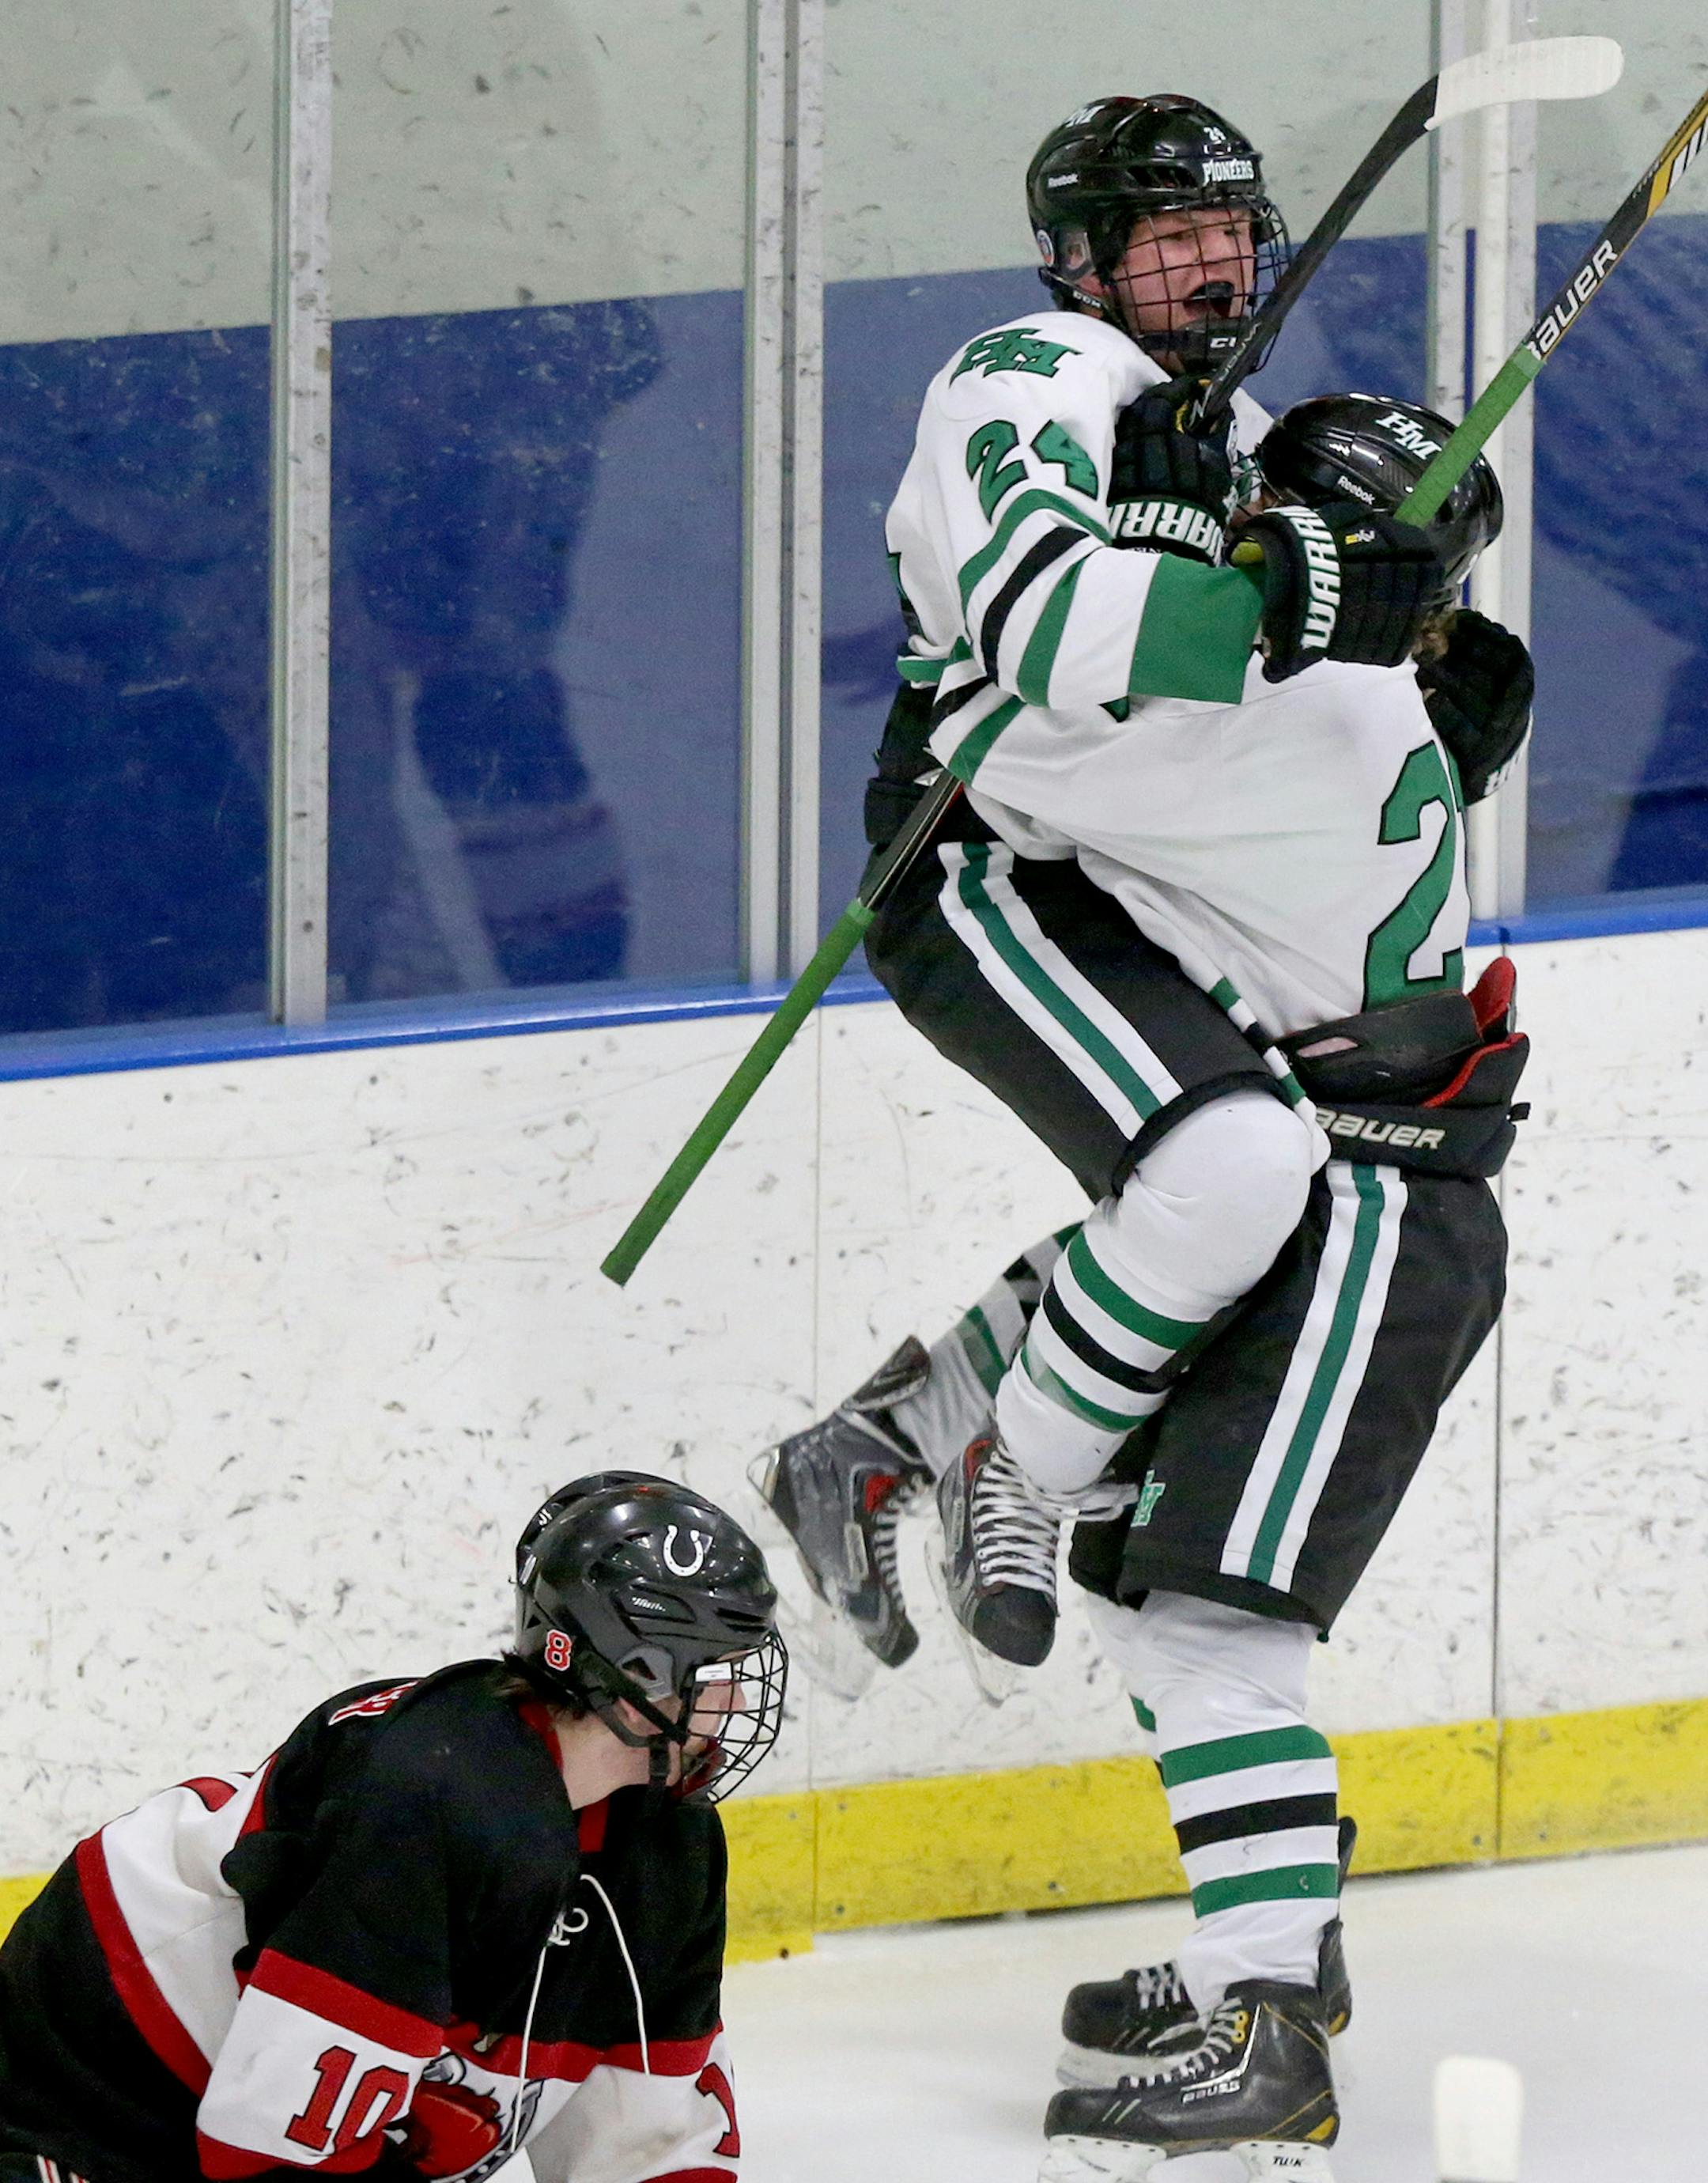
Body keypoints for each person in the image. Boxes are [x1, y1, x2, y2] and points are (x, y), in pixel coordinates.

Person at [754, 93, 1532, 2178]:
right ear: (1080, 262)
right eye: (1164, 229)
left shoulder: (1297, 689)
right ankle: (1254, 1953)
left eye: (1225, 228)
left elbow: (1062, 680)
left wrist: (1237, 581)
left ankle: (1265, 2006)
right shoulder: (1103, 439)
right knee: (1185, 1568)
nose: (1205, 257)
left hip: (1381, 1179)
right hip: (1379, 1153)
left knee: (1205, 1595)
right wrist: (1277, 570)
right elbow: (1101, 622)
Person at [0, 1474, 786, 2183]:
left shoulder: (669, 1846)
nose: (741, 1706)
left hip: (236, 2104)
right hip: (83, 2085)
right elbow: (275, 2151)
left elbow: (647, 2145)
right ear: (635, 1675)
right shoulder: (430, 1797)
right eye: (718, 1675)